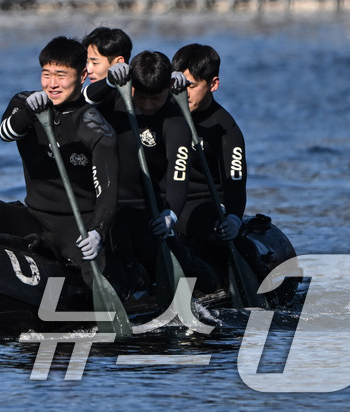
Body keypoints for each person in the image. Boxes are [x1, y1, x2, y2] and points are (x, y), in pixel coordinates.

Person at [0, 36, 119, 288]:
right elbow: (6, 133)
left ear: (81, 77)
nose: (52, 84)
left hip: (78, 227)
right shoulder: (24, 104)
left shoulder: (96, 127)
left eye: (61, 75)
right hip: (34, 217)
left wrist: (98, 232)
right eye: (46, 74)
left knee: (99, 274)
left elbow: (108, 193)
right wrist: (27, 113)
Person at [82, 51, 193, 294]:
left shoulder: (175, 121)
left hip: (148, 213)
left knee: (195, 271)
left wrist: (171, 214)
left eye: (157, 98)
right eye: (142, 98)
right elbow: (83, 100)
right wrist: (109, 81)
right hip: (104, 208)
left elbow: (179, 174)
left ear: (168, 89)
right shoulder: (115, 101)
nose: (149, 105)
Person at [172, 43, 248, 254]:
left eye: (192, 86)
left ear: (213, 84)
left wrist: (234, 219)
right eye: (179, 85)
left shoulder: (226, 128)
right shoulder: (163, 112)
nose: (184, 93)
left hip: (204, 203)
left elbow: (235, 182)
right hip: (168, 200)